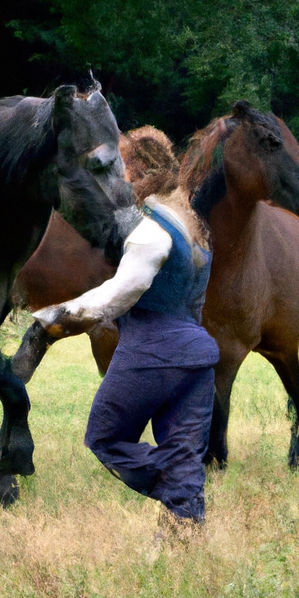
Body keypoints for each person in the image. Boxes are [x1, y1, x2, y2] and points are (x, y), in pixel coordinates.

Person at [32, 131, 218, 528]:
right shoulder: (195, 228)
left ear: (134, 168)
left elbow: (122, 291)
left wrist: (57, 315)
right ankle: (186, 536)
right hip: (198, 356)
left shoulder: (150, 227)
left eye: (120, 169)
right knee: (184, 451)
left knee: (105, 439)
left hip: (150, 353)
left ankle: (176, 489)